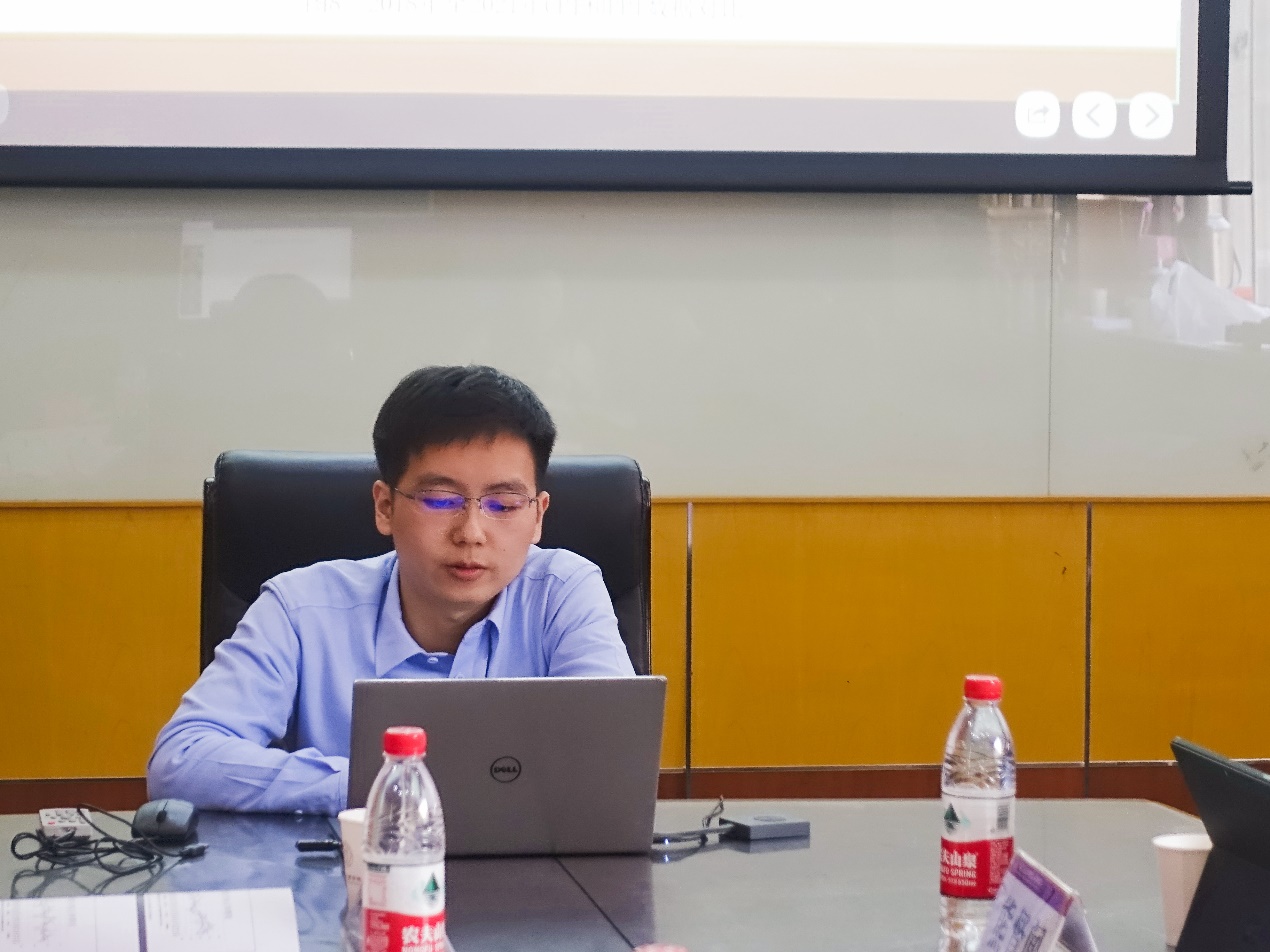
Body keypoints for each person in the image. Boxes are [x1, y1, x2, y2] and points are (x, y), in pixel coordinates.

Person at [148, 365, 635, 815]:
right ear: (385, 507)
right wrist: (389, 787)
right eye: (440, 500)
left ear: (538, 515)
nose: (471, 533)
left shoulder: (563, 592)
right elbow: (181, 760)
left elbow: (613, 761)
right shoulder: (300, 608)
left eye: (503, 505)